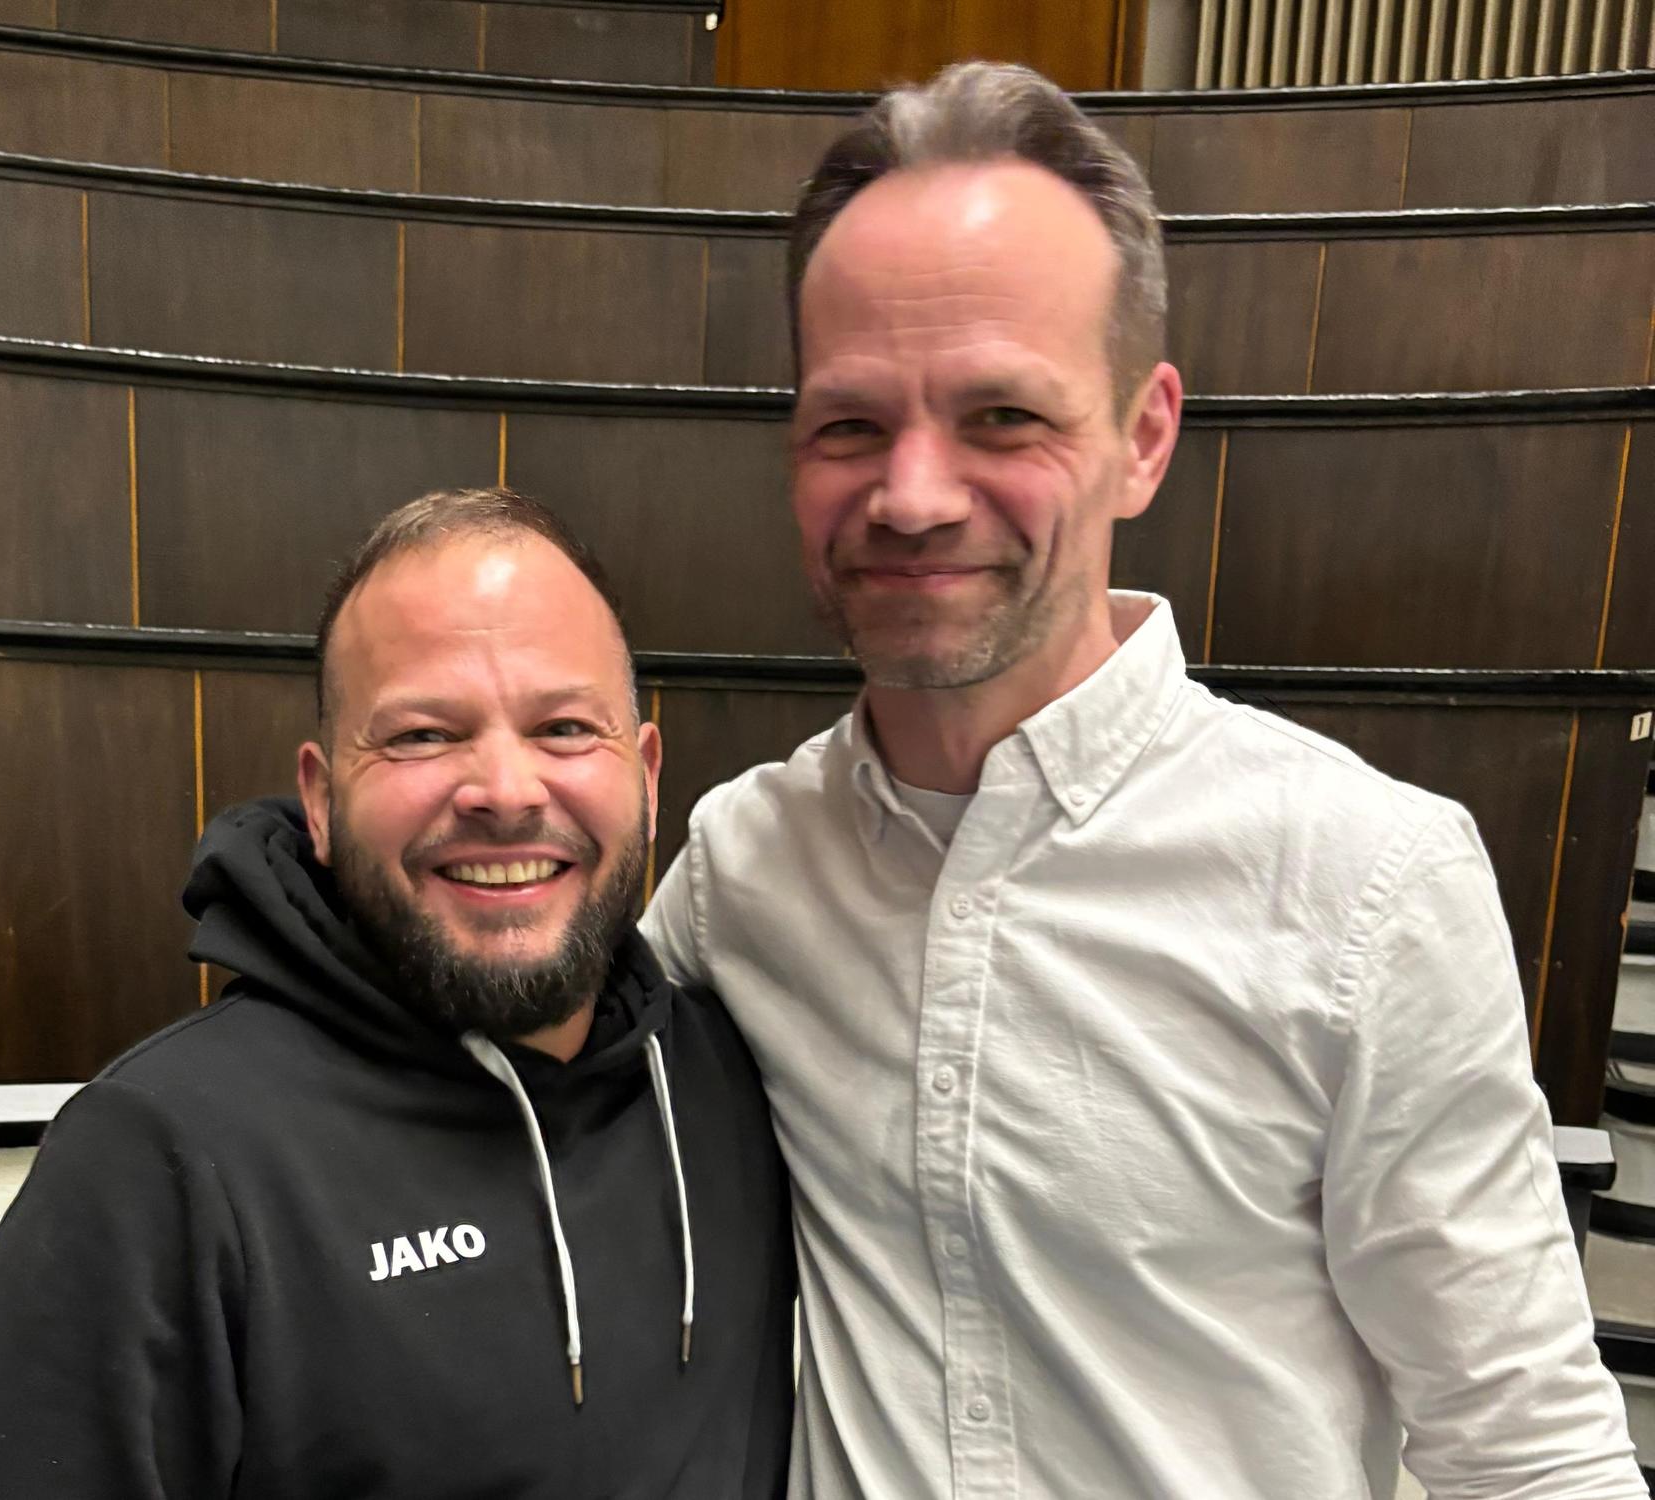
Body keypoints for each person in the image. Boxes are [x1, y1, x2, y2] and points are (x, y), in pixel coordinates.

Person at [642, 62, 1642, 1499]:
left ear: (1145, 436)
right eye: (852, 422)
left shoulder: (1370, 882)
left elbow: (1529, 1453)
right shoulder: (741, 870)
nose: (913, 496)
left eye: (1004, 418)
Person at [0, 489, 795, 1499]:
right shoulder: (159, 1162)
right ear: (322, 800)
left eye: (562, 726)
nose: (505, 791)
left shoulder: (732, 1086)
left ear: (645, 776)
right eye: (423, 735)